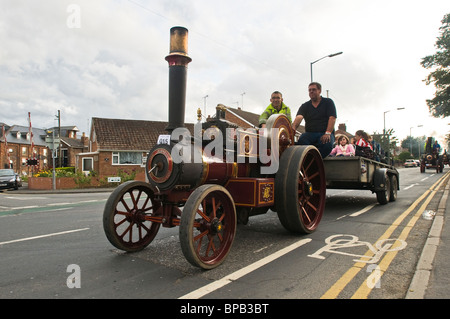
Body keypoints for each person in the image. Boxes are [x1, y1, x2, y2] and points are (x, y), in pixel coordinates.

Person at [292, 82, 337, 158]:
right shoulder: (305, 106)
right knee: (301, 142)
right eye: (309, 90)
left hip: (325, 133)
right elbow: (299, 117)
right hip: (310, 133)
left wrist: (328, 133)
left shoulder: (328, 102)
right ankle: (308, 160)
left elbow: (332, 118)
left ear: (319, 90)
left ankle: (315, 161)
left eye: (314, 89)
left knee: (327, 145)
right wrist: (293, 129)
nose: (311, 92)